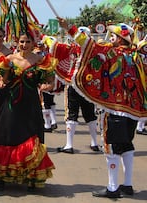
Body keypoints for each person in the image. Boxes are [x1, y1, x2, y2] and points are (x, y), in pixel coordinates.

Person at [58, 18, 147, 198]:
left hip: (115, 107)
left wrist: (70, 28)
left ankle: (113, 188)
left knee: (112, 147)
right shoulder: (137, 57)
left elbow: (88, 44)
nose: (110, 37)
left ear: (121, 40)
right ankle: (127, 184)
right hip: (133, 110)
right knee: (127, 144)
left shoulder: (113, 53)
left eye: (113, 36)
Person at [0, 32, 56, 190]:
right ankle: (3, 173)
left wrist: (46, 87)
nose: (24, 44)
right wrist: (1, 82)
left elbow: (50, 82)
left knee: (32, 134)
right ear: (17, 42)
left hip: (31, 103)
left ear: (33, 43)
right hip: (11, 102)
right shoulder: (10, 59)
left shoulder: (40, 60)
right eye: (22, 41)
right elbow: (4, 78)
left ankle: (31, 174)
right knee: (7, 134)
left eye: (28, 41)